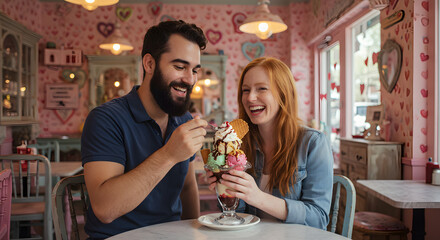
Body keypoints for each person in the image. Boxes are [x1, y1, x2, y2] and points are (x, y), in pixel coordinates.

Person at [81, 20, 208, 239]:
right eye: (179, 67)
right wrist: (169, 154)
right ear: (149, 64)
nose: (190, 79)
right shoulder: (106, 119)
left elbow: (187, 188)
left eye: (194, 70)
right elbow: (105, 209)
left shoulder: (184, 120)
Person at [207, 57, 333, 229]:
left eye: (262, 89)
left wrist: (258, 197)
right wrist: (227, 187)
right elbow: (238, 218)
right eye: (245, 90)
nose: (250, 97)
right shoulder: (239, 144)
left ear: (283, 93)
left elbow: (318, 218)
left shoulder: (313, 143)